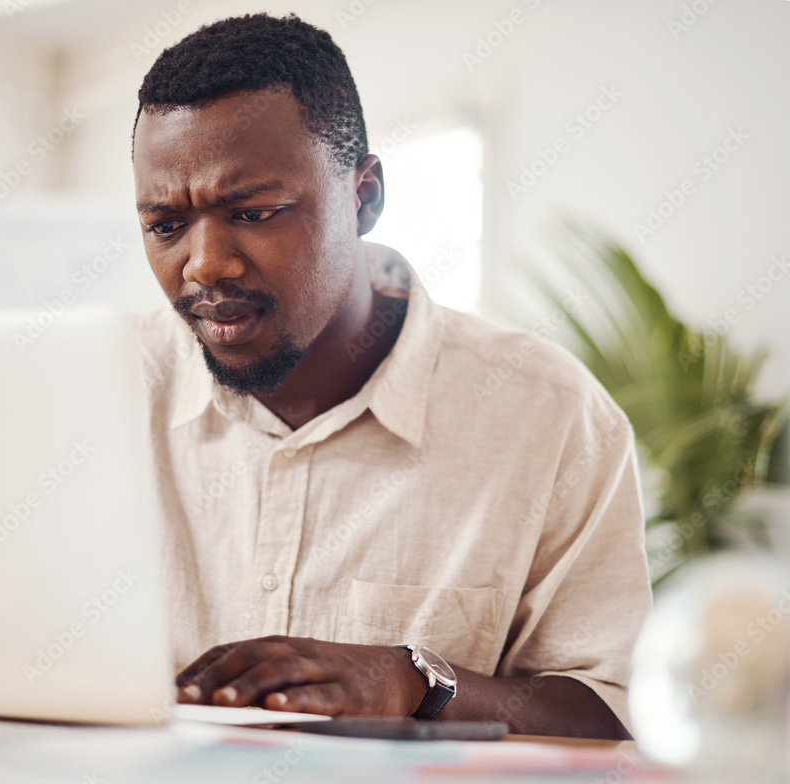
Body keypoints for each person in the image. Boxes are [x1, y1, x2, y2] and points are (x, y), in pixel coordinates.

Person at [131, 12, 651, 739]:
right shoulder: (99, 391)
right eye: (164, 225)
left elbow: (622, 710)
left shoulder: (549, 415)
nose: (205, 264)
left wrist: (415, 683)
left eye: (253, 211)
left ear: (365, 196)